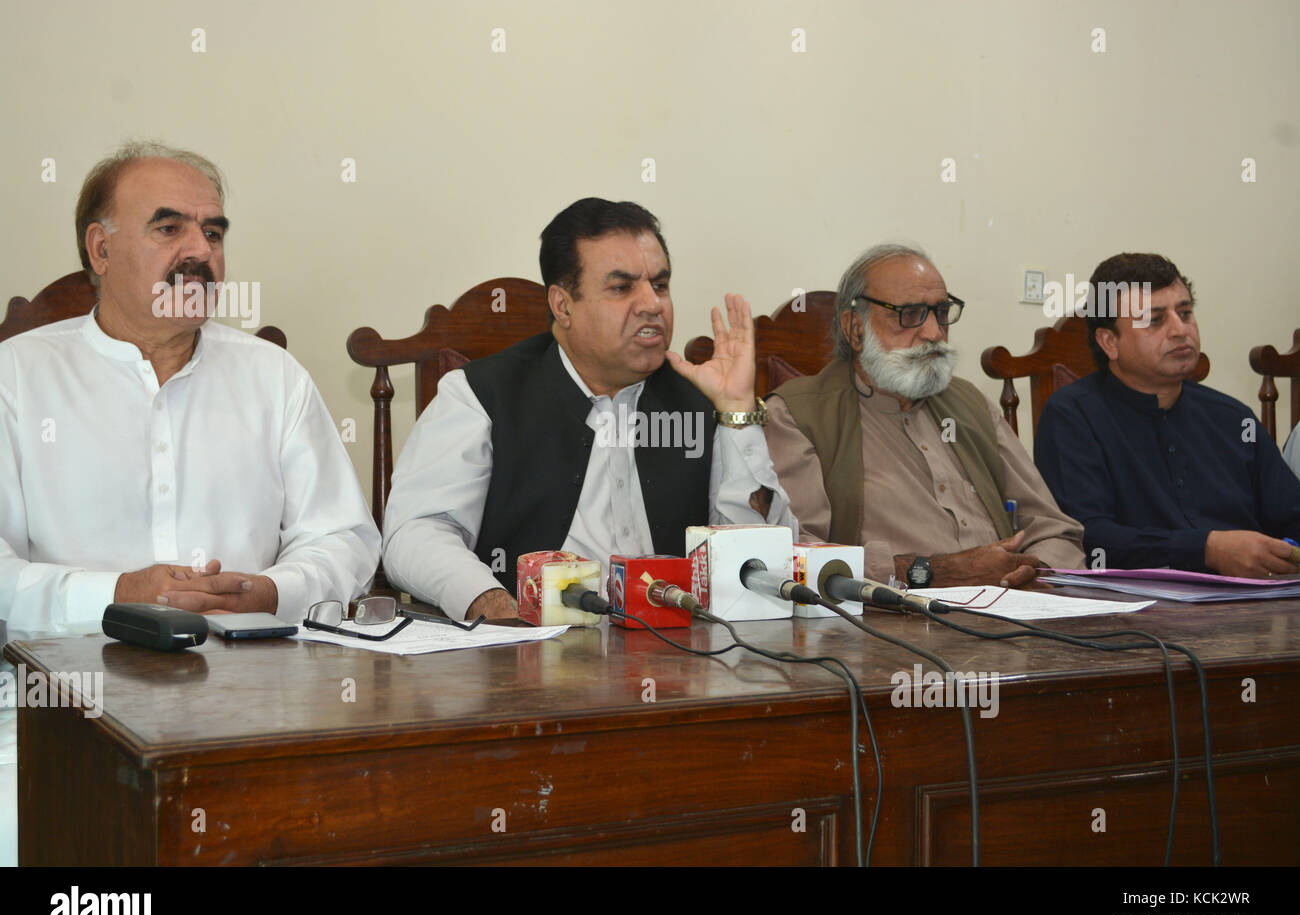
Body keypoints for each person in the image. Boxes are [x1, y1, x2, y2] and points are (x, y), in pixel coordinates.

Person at [0, 142, 380, 633]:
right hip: (69, 692)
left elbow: (344, 538)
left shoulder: (274, 376)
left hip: (250, 683)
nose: (201, 250)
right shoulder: (15, 377)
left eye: (213, 233)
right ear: (102, 249)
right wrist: (116, 596)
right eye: (168, 228)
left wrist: (270, 593)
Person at [382, 198, 796, 620]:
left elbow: (758, 560)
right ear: (563, 306)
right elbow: (415, 533)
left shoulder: (698, 401)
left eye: (660, 284)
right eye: (622, 288)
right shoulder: (481, 396)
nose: (651, 303)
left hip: (679, 654)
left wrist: (738, 414)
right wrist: (490, 603)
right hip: (526, 659)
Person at [765, 243, 1084, 589]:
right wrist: (938, 573)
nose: (934, 332)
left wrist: (1032, 572)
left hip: (1015, 615)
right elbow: (795, 559)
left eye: (941, 312)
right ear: (855, 329)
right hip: (888, 629)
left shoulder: (970, 404)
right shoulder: (797, 416)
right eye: (910, 314)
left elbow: (1055, 531)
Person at [1035, 252, 1300, 577]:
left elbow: (1291, 516)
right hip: (1131, 616)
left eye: (1185, 313)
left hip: (1259, 608)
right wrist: (1206, 549)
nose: (1180, 330)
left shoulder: (1234, 418)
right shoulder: (1072, 416)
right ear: (1109, 342)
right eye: (1155, 320)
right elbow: (1086, 536)